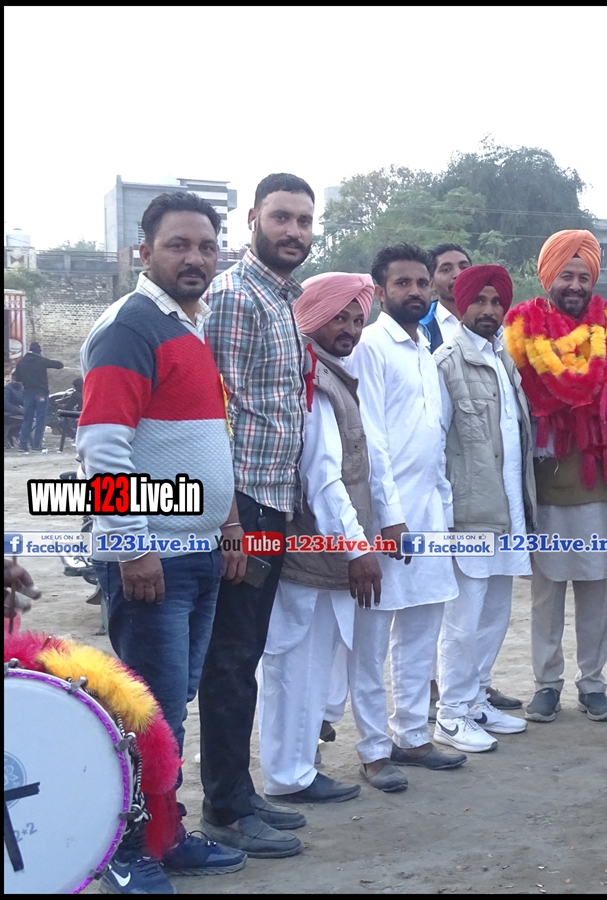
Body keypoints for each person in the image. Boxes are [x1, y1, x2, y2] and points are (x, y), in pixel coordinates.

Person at [77, 191, 247, 893]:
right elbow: (102, 449)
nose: (195, 258)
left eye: (206, 246)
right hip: (156, 562)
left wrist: (228, 525)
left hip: (198, 554)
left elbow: (209, 442)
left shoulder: (189, 326)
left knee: (171, 710)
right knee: (145, 713)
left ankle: (166, 835)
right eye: (178, 245)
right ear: (145, 252)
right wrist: (133, 547)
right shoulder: (130, 327)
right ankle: (124, 850)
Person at [199, 173, 315, 858]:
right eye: (281, 218)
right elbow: (212, 415)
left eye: (303, 220)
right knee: (230, 657)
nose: (293, 232)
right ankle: (224, 807)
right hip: (241, 503)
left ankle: (238, 792)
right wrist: (229, 521)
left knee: (245, 654)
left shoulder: (283, 299)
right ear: (252, 219)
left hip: (272, 499)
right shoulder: (236, 297)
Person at [504, 229, 607, 723]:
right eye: (567, 275)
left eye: (584, 276)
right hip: (544, 489)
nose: (576, 285)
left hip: (601, 488)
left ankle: (593, 684)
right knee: (546, 597)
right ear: (548, 276)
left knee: (598, 593)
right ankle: (546, 685)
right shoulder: (521, 331)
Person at [257, 273, 382, 807]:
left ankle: (299, 766)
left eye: (356, 319)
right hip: (309, 556)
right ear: (311, 316)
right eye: (338, 318)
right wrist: (358, 549)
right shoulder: (313, 381)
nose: (349, 329)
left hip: (322, 556)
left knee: (310, 670)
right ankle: (289, 776)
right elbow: (324, 479)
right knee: (294, 669)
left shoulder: (329, 373)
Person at [350, 243, 464, 782]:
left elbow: (433, 440)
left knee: (422, 628)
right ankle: (374, 749)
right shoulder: (370, 346)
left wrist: (443, 511)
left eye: (422, 283)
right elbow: (371, 438)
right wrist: (389, 517)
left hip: (430, 515)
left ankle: (413, 737)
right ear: (380, 290)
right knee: (372, 638)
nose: (415, 291)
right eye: (403, 283)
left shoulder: (425, 348)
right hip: (385, 519)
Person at [433, 264, 535, 751]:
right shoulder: (446, 362)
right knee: (463, 619)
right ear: (461, 304)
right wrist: (445, 515)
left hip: (507, 508)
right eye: (480, 300)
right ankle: (451, 714)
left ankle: (476, 700)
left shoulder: (503, 358)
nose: (489, 310)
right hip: (469, 514)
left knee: (495, 611)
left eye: (497, 302)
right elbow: (436, 445)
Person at [14, 340, 63, 452]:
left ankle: (22, 445)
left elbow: (17, 378)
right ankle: (36, 445)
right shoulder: (41, 360)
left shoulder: (21, 362)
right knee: (41, 418)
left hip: (27, 392)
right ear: (39, 351)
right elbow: (59, 365)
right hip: (41, 392)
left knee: (27, 418)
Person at [424, 243, 472, 352]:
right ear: (431, 283)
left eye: (464, 268)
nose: (458, 274)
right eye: (446, 270)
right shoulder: (420, 327)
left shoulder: (493, 323)